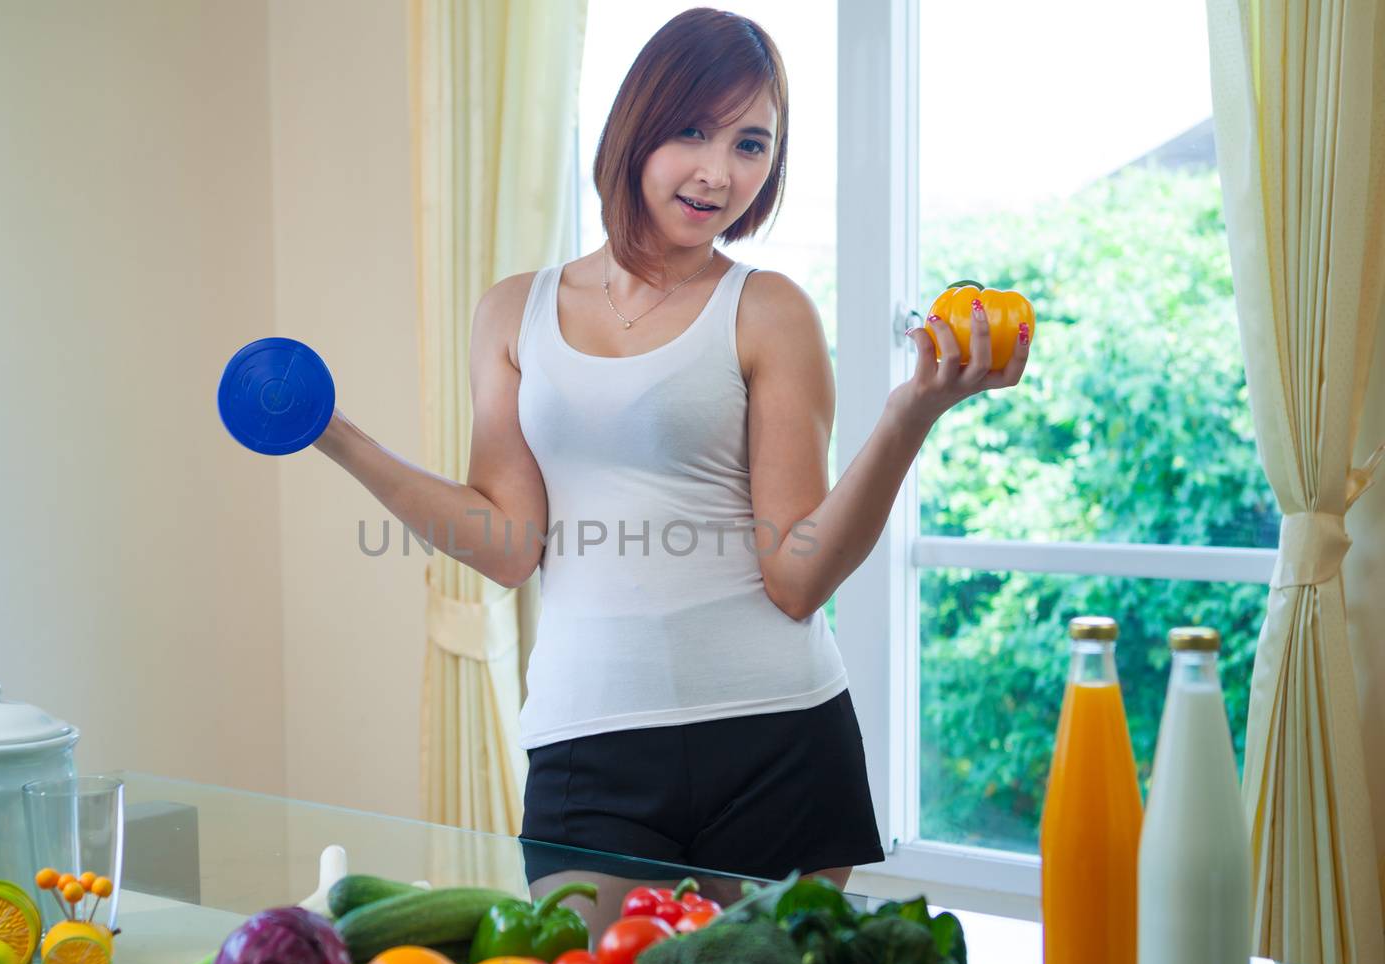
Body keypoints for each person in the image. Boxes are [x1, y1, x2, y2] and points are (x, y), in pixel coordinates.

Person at [314, 8, 1028, 916]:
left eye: (750, 143)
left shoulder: (770, 311)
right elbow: (505, 543)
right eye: (693, 129)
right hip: (590, 745)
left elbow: (799, 576)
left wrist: (908, 416)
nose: (718, 171)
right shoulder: (512, 312)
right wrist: (338, 436)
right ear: (637, 126)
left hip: (780, 737)